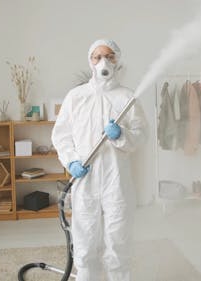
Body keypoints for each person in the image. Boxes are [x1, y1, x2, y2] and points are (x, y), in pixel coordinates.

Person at [51, 39, 147, 281]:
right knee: (85, 236)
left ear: (117, 60)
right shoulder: (76, 97)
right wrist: (71, 161)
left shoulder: (127, 97)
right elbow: (61, 135)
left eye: (109, 56)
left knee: (118, 237)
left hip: (117, 179)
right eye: (97, 56)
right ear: (90, 62)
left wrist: (122, 135)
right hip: (86, 178)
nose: (103, 61)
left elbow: (142, 135)